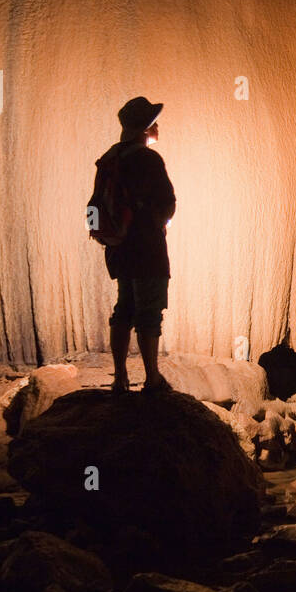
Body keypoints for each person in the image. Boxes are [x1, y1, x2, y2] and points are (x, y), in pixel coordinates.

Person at [95, 96, 176, 393]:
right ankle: (152, 378)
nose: (158, 127)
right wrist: (158, 222)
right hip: (146, 248)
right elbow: (168, 202)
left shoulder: (110, 157)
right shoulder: (148, 159)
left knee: (124, 308)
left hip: (119, 248)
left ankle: (120, 377)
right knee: (149, 311)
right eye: (154, 123)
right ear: (146, 128)